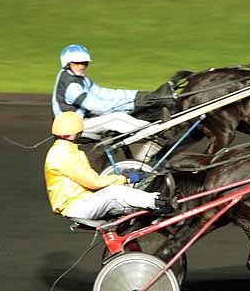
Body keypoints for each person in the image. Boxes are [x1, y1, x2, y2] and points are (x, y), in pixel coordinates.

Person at [44, 112, 174, 220]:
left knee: (123, 198)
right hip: (77, 207)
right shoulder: (64, 154)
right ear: (78, 132)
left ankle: (152, 210)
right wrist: (124, 178)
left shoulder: (64, 150)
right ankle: (158, 202)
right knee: (114, 192)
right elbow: (94, 182)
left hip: (81, 202)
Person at [52, 44, 176, 136]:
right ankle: (155, 131)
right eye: (76, 63)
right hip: (69, 127)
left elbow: (104, 93)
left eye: (84, 63)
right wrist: (134, 103)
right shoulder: (71, 86)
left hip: (79, 119)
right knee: (116, 118)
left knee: (122, 112)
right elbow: (99, 106)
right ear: (67, 63)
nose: (81, 66)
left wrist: (137, 95)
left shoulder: (79, 78)